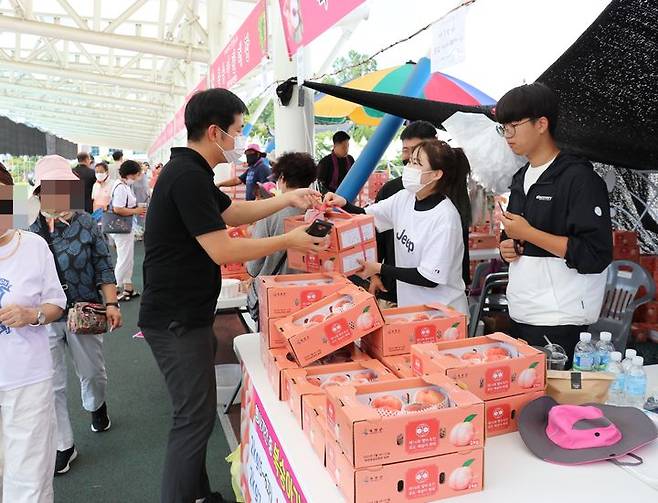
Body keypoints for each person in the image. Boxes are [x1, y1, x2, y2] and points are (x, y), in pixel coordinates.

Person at [138, 88, 327, 503]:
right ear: (214, 131)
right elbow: (222, 248)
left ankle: (199, 493)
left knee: (197, 415)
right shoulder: (187, 176)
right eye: (238, 130)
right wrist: (289, 237)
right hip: (176, 318)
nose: (240, 139)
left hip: (185, 313)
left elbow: (229, 213)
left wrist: (286, 199)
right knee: (192, 418)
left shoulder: (191, 172)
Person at [496, 82, 612, 363]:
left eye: (514, 125)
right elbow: (514, 232)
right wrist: (507, 246)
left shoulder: (579, 179)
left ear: (541, 124)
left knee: (553, 405)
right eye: (503, 127)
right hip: (522, 309)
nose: (508, 135)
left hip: (560, 319)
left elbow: (595, 254)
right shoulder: (521, 177)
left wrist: (530, 233)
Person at [29, 155, 122, 476]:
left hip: (84, 310)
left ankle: (96, 405)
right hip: (44, 318)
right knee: (52, 382)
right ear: (39, 193)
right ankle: (63, 444)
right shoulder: (29, 230)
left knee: (92, 372)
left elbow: (103, 264)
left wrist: (111, 303)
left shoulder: (85, 223)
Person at [325, 139, 470, 314]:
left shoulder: (445, 218)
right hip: (412, 311)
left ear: (436, 174)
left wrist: (378, 268)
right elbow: (367, 216)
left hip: (443, 315)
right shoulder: (405, 198)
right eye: (410, 161)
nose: (409, 166)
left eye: (417, 163)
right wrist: (343, 203)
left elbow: (429, 278)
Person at [0, 163, 67, 503]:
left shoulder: (33, 246)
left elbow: (57, 302)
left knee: (29, 479)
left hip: (27, 377)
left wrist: (32, 314)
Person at [371, 121, 440, 306]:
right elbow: (374, 232)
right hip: (392, 290)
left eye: (416, 151)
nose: (410, 158)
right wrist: (375, 274)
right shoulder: (392, 190)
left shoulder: (448, 201)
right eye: (405, 151)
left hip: (435, 298)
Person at [246, 152, 318, 323]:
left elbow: (254, 266)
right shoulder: (319, 212)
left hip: (275, 297)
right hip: (312, 296)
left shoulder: (269, 211)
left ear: (282, 177)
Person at [108, 160, 146, 301]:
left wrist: (135, 208)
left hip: (124, 226)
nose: (138, 177)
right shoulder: (120, 187)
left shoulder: (123, 185)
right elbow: (118, 208)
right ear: (131, 174)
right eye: (137, 174)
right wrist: (136, 210)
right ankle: (115, 289)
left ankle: (127, 287)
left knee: (127, 259)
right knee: (124, 259)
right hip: (121, 227)